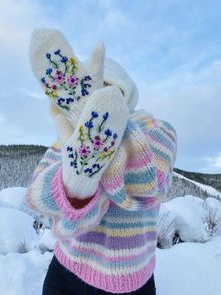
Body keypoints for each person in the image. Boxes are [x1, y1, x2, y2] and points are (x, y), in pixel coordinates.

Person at [24, 29, 177, 295]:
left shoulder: (156, 129)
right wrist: (72, 184)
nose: (98, 106)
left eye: (110, 94)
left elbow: (147, 185)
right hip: (65, 269)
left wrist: (100, 136)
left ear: (127, 95)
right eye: (93, 95)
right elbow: (37, 196)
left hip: (126, 282)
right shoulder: (66, 139)